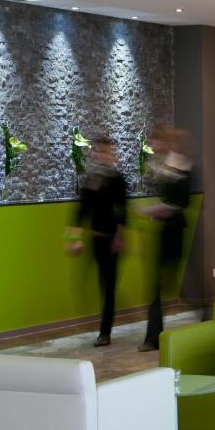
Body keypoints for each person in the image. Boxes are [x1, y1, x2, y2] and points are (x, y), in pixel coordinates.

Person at [67, 137, 127, 347]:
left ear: (111, 155)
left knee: (108, 287)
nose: (102, 156)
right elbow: (81, 211)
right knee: (93, 282)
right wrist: (73, 239)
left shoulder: (118, 179)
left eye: (106, 152)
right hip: (95, 238)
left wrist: (119, 237)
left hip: (112, 241)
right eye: (98, 152)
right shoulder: (91, 180)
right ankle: (100, 326)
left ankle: (105, 332)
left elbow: (122, 211)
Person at [138, 128, 192, 353]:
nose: (153, 147)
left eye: (156, 142)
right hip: (164, 232)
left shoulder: (183, 167)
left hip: (175, 231)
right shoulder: (163, 166)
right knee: (158, 286)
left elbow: (180, 203)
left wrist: (155, 210)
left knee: (174, 284)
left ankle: (207, 316)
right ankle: (153, 337)